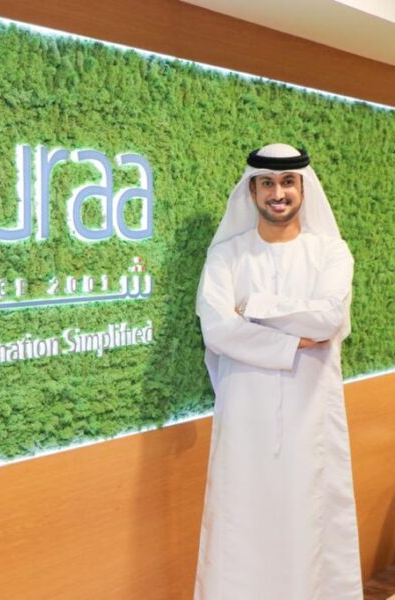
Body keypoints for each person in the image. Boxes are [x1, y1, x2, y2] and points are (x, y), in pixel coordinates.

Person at [193, 143, 363, 599]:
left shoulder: (331, 252)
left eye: (288, 182)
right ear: (252, 191)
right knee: (243, 521)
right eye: (266, 183)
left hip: (311, 418)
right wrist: (293, 341)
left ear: (303, 188)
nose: (278, 193)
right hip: (245, 419)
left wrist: (254, 308)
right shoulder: (226, 256)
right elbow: (218, 330)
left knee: (309, 521)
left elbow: (327, 318)